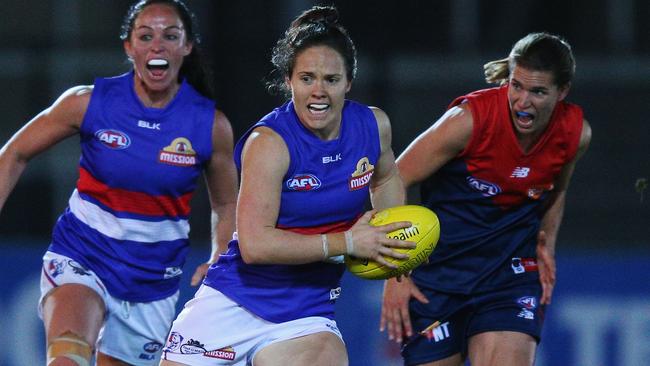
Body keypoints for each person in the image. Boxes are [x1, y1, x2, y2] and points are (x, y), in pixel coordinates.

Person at [160, 5, 414, 366]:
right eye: (307, 78)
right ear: (288, 81)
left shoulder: (373, 127)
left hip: (306, 314)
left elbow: (386, 176)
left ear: (349, 82)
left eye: (331, 79)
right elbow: (255, 245)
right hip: (234, 302)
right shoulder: (269, 143)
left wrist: (389, 237)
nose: (319, 91)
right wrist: (349, 242)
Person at [0, 0, 238, 365]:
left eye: (170, 36)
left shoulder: (209, 125)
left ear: (186, 47)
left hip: (152, 282)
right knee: (68, 357)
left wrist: (219, 255)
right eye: (146, 36)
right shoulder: (88, 103)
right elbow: (14, 153)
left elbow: (225, 204)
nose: (157, 45)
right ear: (129, 47)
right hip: (83, 256)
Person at [380, 32, 592, 366]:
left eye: (538, 91)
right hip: (438, 277)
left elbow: (557, 189)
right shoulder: (468, 121)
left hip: (509, 275)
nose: (523, 101)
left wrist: (546, 244)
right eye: (516, 86)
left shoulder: (575, 134)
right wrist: (396, 273)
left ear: (562, 92)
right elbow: (392, 178)